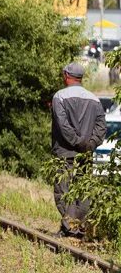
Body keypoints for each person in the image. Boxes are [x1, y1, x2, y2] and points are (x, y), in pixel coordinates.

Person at [52, 61, 106, 237]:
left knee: (63, 188)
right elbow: (101, 127)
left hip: (64, 151)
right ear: (80, 78)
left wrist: (75, 141)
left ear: (67, 76)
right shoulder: (95, 99)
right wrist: (89, 144)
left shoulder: (59, 97)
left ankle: (70, 226)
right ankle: (77, 227)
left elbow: (63, 126)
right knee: (83, 188)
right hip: (86, 151)